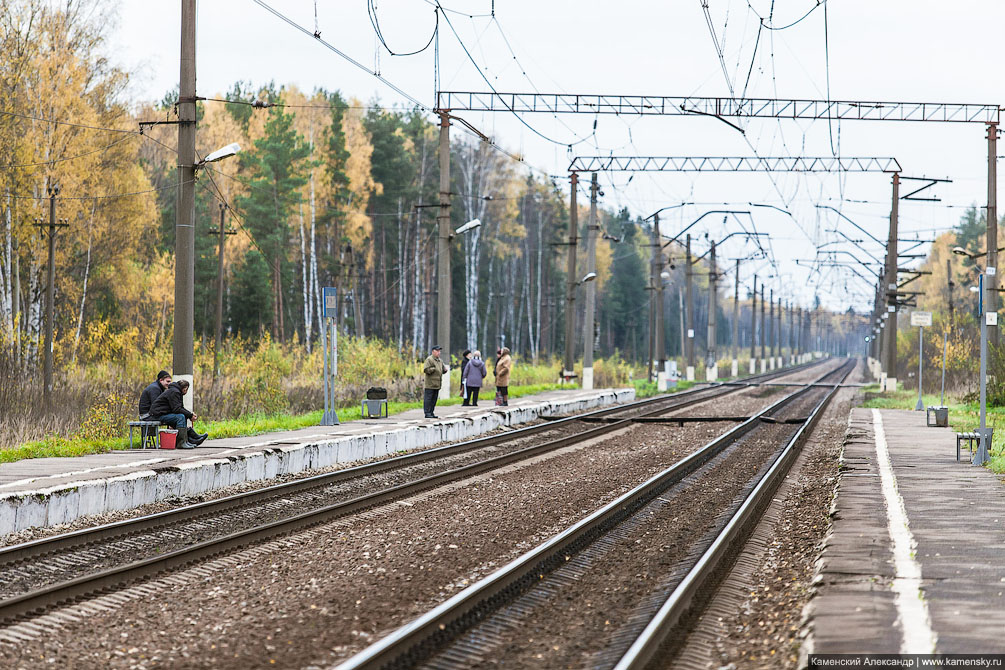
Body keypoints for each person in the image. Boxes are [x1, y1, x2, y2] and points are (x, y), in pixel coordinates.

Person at [149, 379, 206, 449]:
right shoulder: (175, 392)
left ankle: (188, 440)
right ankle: (181, 443)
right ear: (185, 388)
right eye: (186, 389)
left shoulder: (176, 391)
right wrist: (190, 415)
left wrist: (189, 414)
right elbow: (177, 409)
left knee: (182, 415)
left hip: (161, 413)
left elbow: (179, 408)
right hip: (157, 415)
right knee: (180, 417)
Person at [422, 345, 447, 419]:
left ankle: (431, 412)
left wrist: (444, 370)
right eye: (437, 351)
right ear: (433, 351)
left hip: (437, 384)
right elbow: (426, 369)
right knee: (428, 399)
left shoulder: (440, 360)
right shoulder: (429, 359)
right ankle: (427, 413)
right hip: (430, 384)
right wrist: (434, 369)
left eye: (440, 351)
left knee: (434, 399)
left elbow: (442, 369)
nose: (439, 352)